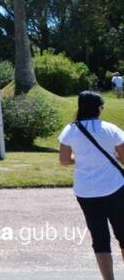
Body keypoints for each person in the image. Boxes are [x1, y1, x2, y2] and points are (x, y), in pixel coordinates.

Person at [58, 91, 124, 280]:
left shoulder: (70, 130)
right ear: (98, 108)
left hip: (86, 191)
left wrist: (81, 158)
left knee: (100, 239)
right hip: (115, 188)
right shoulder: (111, 129)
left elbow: (64, 160)